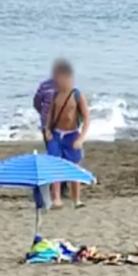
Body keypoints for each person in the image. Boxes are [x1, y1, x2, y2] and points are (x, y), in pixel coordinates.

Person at [44, 60, 91, 209]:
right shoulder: (55, 95)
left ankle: (76, 199)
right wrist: (47, 130)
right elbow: (50, 115)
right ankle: (56, 198)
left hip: (72, 134)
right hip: (57, 134)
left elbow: (87, 118)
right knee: (54, 165)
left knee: (74, 167)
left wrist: (81, 138)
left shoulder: (77, 95)